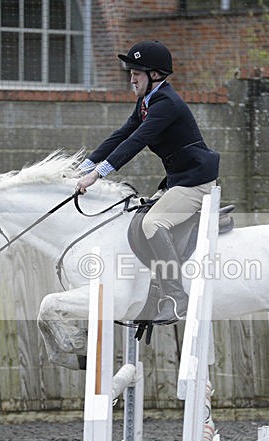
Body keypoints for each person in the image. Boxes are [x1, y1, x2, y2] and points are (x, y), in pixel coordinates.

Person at [75, 40, 220, 324]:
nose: (131, 77)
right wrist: (83, 166)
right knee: (138, 217)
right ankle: (152, 294)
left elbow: (137, 140)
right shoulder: (146, 101)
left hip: (196, 182)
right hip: (179, 179)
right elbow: (122, 133)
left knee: (154, 223)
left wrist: (97, 175)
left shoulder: (167, 104)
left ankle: (178, 299)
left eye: (137, 72)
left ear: (155, 75)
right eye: (131, 71)